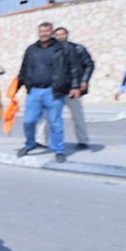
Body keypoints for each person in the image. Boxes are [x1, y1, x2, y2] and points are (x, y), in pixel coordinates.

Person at [16, 21, 81, 163]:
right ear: (38, 33)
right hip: (34, 91)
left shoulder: (64, 48)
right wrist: (16, 86)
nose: (43, 34)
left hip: (54, 91)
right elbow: (24, 68)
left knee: (55, 122)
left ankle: (59, 150)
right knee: (28, 121)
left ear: (51, 32)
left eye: (46, 31)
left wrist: (75, 86)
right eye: (41, 32)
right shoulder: (31, 49)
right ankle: (29, 144)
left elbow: (74, 68)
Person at [52, 26, 94, 150]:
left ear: (67, 35)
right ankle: (41, 140)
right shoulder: (51, 51)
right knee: (48, 116)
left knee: (77, 116)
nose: (60, 37)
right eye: (58, 35)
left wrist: (84, 81)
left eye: (62, 34)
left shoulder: (78, 49)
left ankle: (83, 141)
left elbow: (89, 64)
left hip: (73, 89)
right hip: (57, 89)